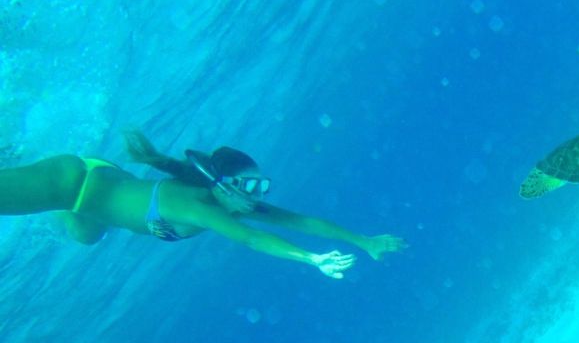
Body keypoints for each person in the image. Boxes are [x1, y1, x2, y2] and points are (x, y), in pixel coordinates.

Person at [0, 130, 407, 279]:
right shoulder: (198, 207)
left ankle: (12, 151)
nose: (257, 194)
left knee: (86, 236)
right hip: (71, 184)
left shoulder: (233, 202)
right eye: (248, 185)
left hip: (93, 193)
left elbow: (301, 219)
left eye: (262, 185)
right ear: (222, 185)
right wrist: (312, 261)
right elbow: (249, 240)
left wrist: (364, 240)